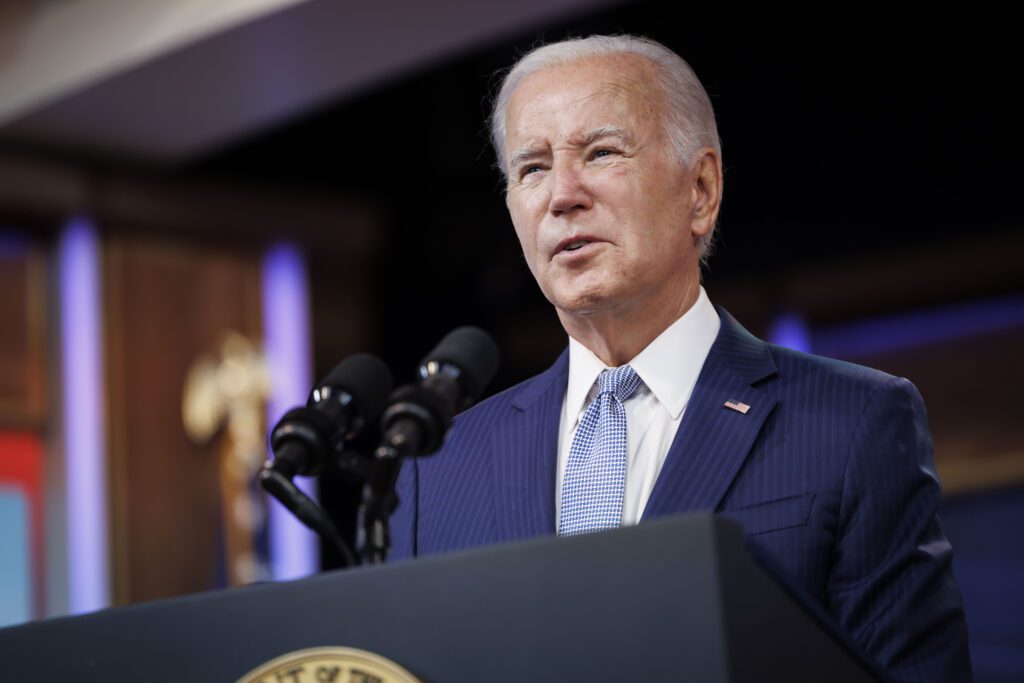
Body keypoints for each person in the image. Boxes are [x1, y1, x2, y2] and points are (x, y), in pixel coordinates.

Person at [390, 35, 971, 681]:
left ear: (701, 189)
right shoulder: (437, 469)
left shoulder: (852, 421)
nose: (562, 194)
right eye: (531, 167)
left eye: (601, 152)